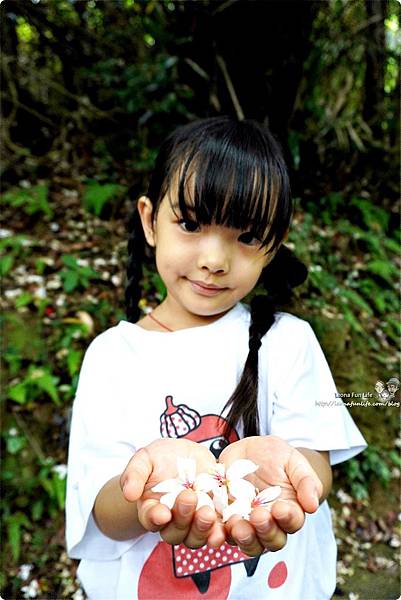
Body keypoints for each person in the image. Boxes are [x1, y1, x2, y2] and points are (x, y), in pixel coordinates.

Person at [66, 116, 367, 600]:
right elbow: (101, 510)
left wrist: (291, 474)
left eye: (246, 236)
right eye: (189, 224)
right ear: (149, 220)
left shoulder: (288, 342)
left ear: (273, 242)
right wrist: (143, 492)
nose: (215, 259)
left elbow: (315, 457)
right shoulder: (111, 357)